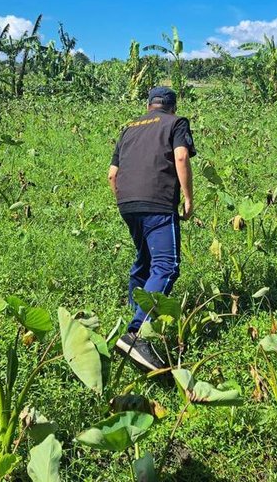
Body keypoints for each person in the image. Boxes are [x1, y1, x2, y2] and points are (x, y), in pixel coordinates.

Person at [108, 86, 196, 372]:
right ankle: (135, 333)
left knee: (145, 260)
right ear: (172, 106)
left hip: (126, 201)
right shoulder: (176, 123)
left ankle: (135, 311)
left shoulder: (129, 128)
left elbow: (112, 174)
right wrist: (188, 197)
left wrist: (124, 200)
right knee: (167, 266)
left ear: (149, 106)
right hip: (157, 201)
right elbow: (181, 157)